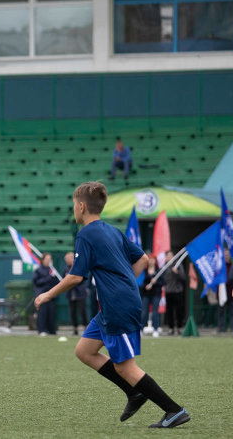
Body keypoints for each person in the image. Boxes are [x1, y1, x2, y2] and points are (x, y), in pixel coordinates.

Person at [35, 181, 189, 428]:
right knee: (84, 351)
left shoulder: (85, 234)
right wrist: (126, 282)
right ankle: (134, 393)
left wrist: (47, 295)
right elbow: (143, 259)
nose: (73, 210)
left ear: (81, 207)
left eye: (74, 205)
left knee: (125, 368)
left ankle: (174, 410)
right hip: (113, 305)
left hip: (118, 305)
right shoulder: (112, 231)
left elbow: (75, 276)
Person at [32, 253, 59, 336]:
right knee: (42, 313)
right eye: (47, 259)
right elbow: (36, 282)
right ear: (42, 260)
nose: (48, 261)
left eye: (49, 259)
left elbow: (56, 283)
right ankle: (42, 330)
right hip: (41, 295)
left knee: (51, 313)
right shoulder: (38, 270)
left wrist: (54, 277)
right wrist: (48, 278)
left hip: (51, 296)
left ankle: (52, 330)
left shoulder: (52, 270)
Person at [217, 250, 233, 337]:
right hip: (222, 291)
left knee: (232, 311)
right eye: (225, 255)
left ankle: (232, 327)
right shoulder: (220, 266)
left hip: (231, 291)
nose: (226, 256)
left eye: (227, 255)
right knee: (221, 311)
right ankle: (220, 327)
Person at [64, 252, 89, 335]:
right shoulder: (66, 270)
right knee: (73, 312)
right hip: (71, 294)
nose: (67, 260)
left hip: (80, 293)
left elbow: (82, 279)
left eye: (68, 259)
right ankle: (75, 329)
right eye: (66, 259)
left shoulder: (79, 268)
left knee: (82, 311)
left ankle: (86, 327)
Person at [161, 251, 186, 336]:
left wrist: (177, 273)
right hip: (168, 292)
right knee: (169, 311)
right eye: (168, 256)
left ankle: (179, 328)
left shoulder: (178, 265)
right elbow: (162, 278)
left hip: (177, 291)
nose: (169, 257)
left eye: (171, 255)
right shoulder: (165, 267)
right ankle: (171, 328)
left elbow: (183, 277)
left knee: (179, 310)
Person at [140, 255, 163, 338]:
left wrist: (156, 282)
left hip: (156, 294)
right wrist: (145, 286)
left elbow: (163, 283)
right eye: (150, 259)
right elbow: (141, 283)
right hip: (146, 294)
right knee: (144, 312)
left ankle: (155, 329)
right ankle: (141, 329)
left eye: (153, 259)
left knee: (155, 312)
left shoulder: (159, 271)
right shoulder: (144, 271)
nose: (151, 261)